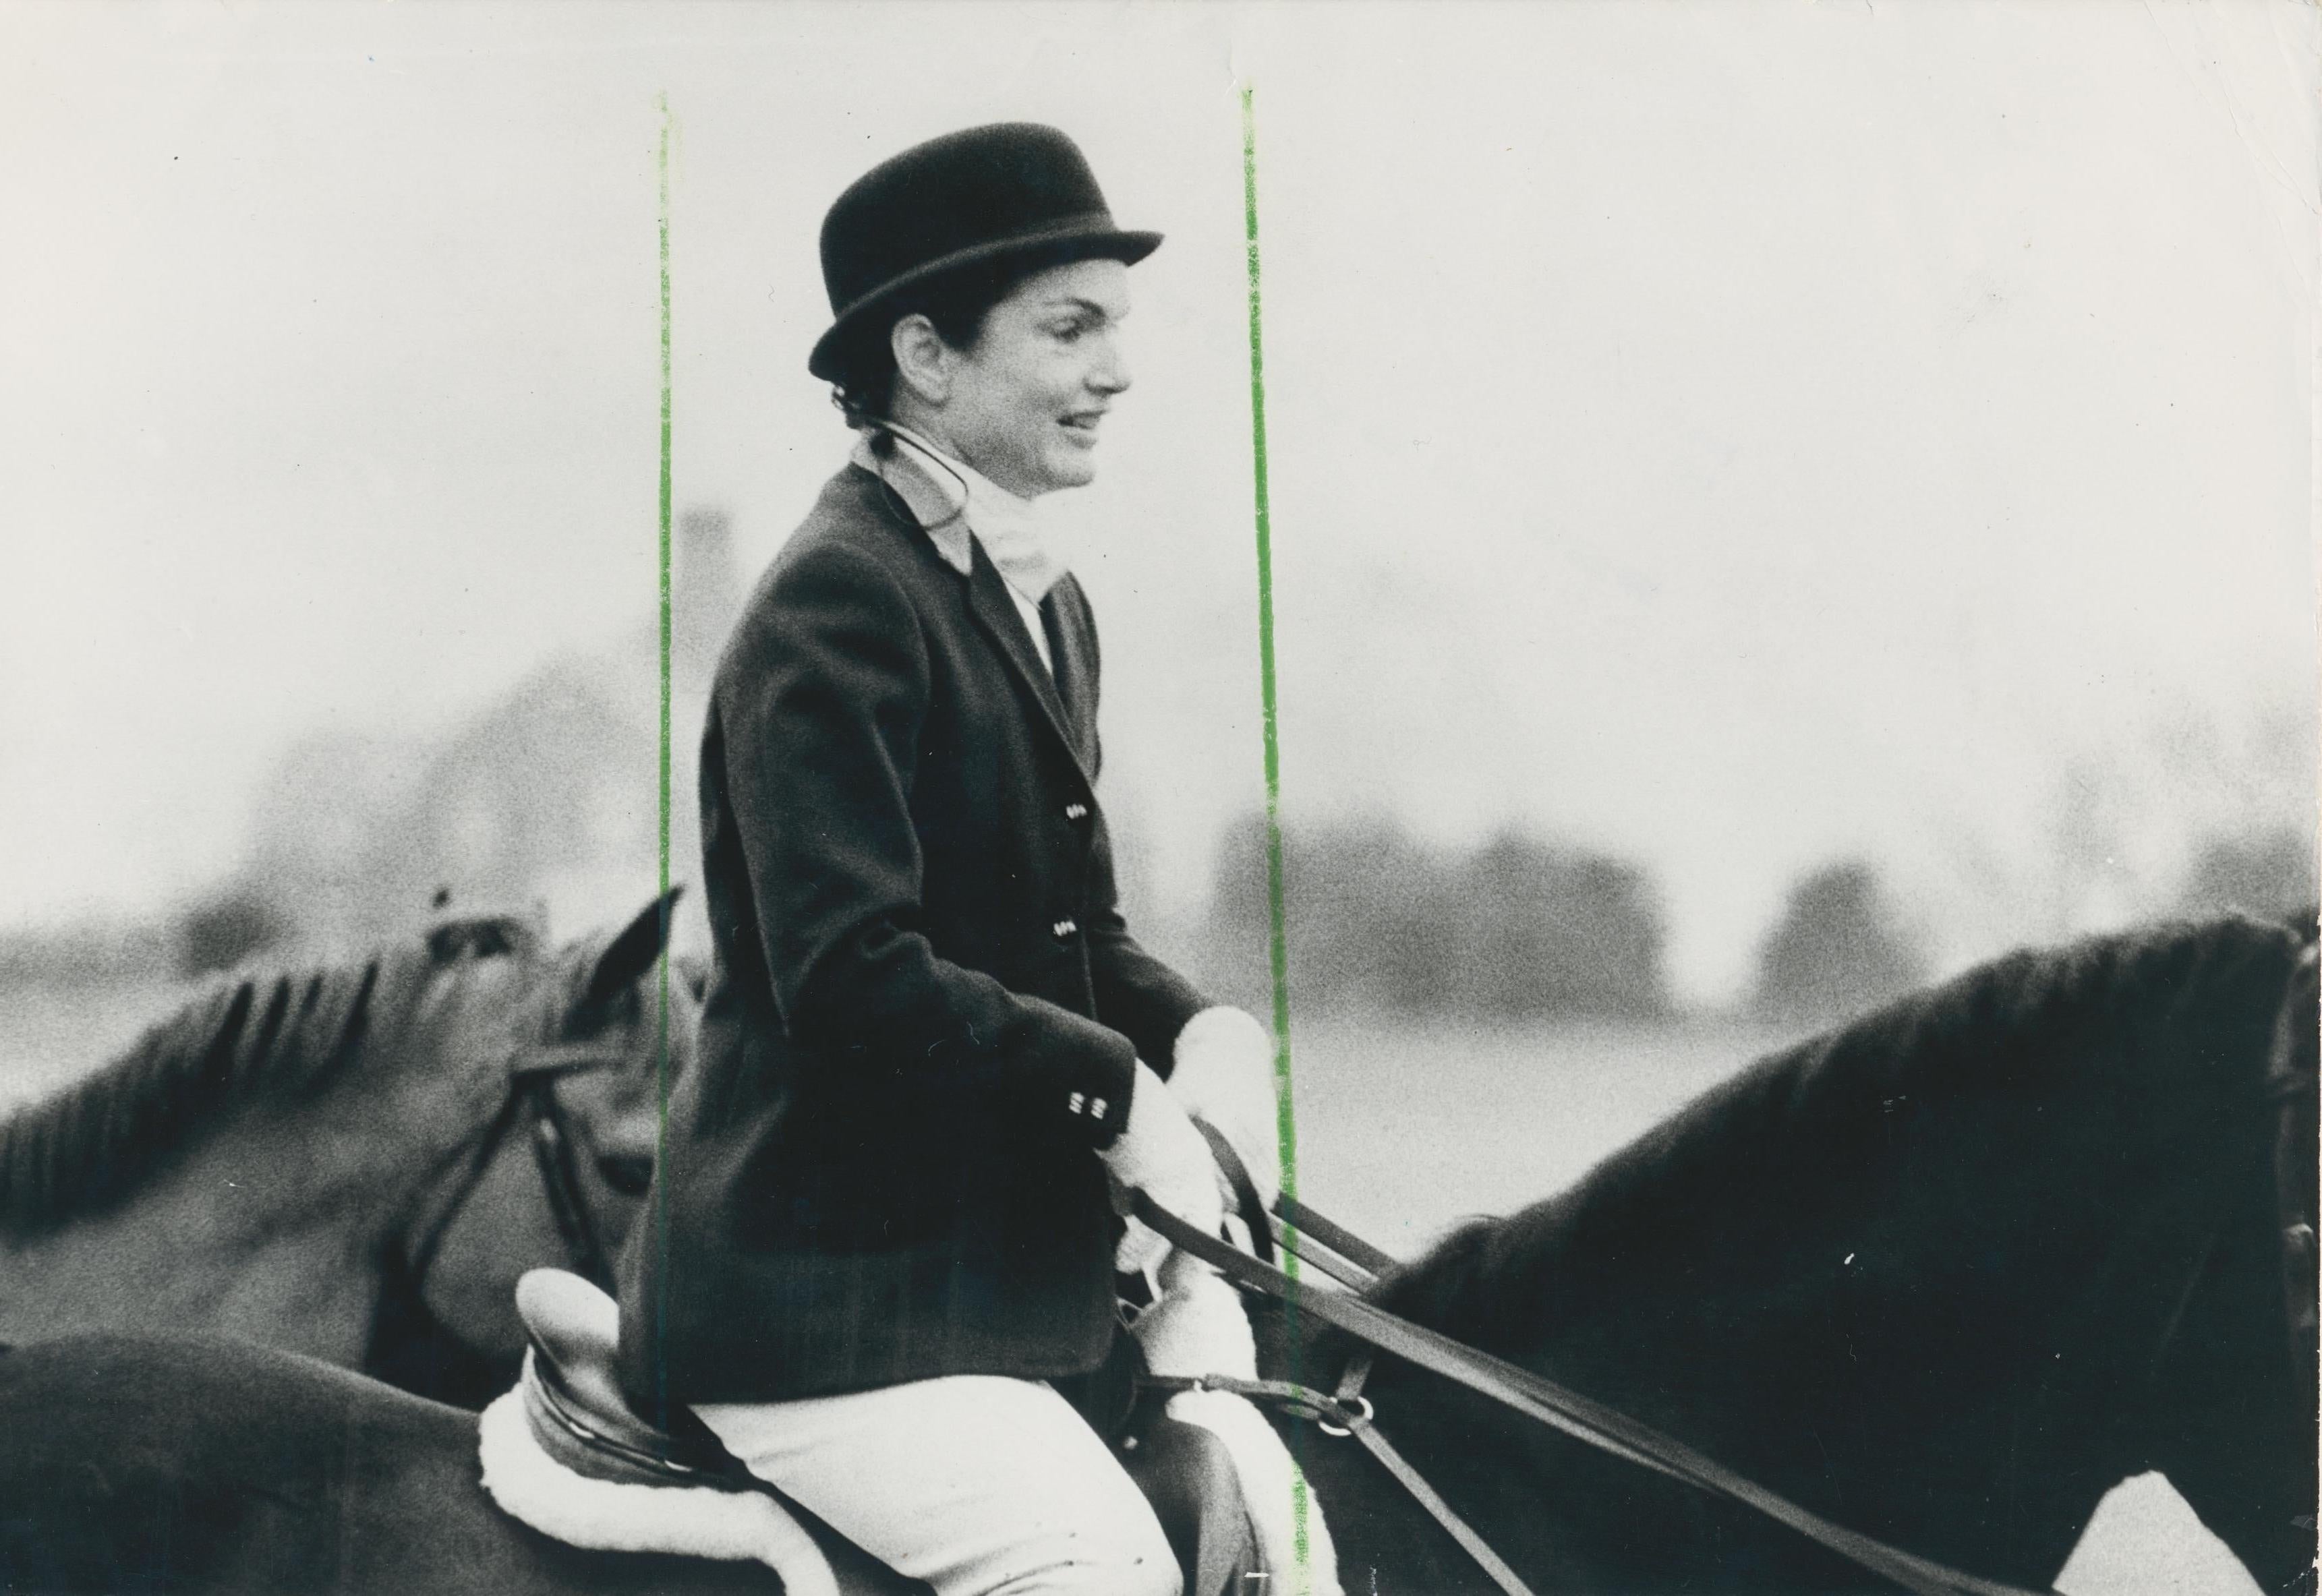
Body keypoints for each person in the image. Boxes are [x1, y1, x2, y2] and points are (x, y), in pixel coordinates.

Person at [616, 123, 1320, 1596]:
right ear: (927, 358)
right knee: (1102, 1572)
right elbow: (854, 980)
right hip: (819, 1305)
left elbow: (1069, 937)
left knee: (1290, 1525)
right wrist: (1114, 1090)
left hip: (986, 1281)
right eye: (1072, 329)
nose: (1116, 371)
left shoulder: (1045, 604)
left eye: (1116, 329)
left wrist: (1198, 1031)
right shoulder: (839, 603)